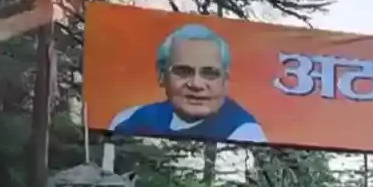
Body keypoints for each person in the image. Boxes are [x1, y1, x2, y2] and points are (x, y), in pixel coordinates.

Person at [109, 23, 266, 143]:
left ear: (225, 81)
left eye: (210, 73)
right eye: (183, 71)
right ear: (162, 76)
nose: (196, 84)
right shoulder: (128, 119)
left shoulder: (244, 132)